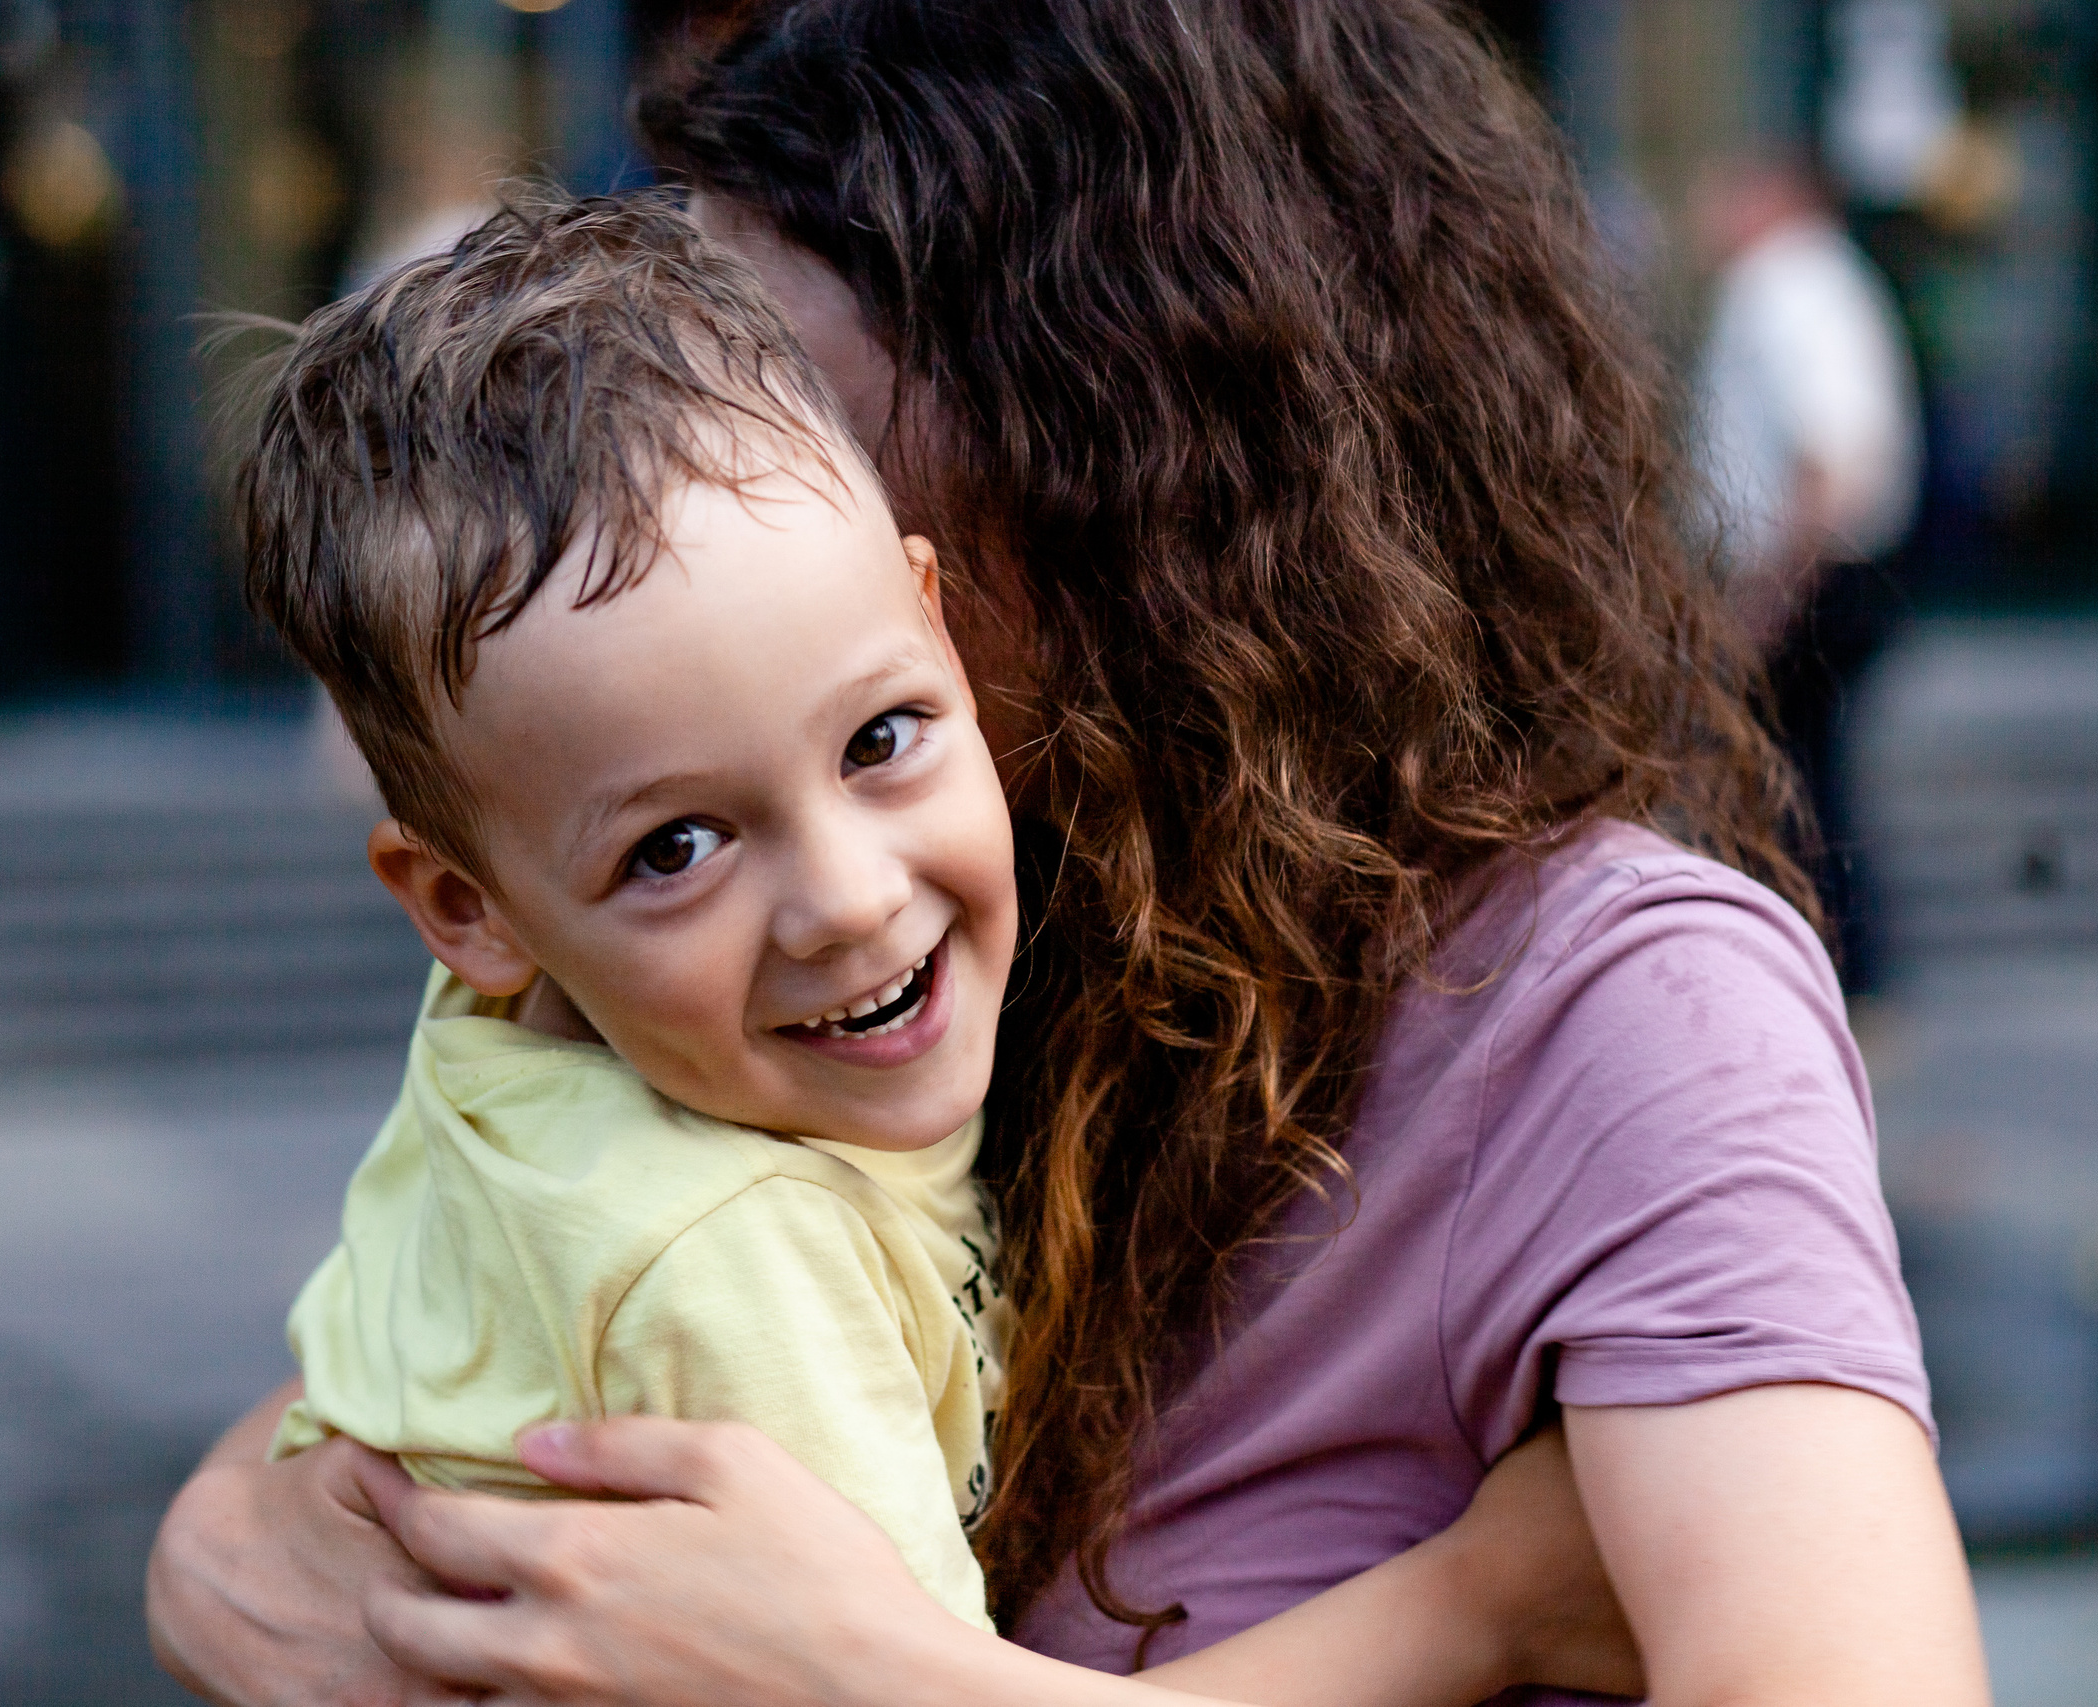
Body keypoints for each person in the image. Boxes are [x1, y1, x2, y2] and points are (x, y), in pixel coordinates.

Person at [149, 4, 1991, 1705]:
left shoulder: (1625, 1008)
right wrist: (220, 1542)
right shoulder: (871, 951)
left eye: (801, 411)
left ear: (1119, 444)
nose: (711, 508)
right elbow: (411, 1383)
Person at [234, 192, 1622, 1705]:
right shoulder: (729, 1263)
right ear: (463, 907)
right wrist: (1475, 1604)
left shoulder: (525, 1019)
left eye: (881, 738)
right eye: (676, 847)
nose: (844, 895)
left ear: (933, 609)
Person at [1689, 156, 1924, 995]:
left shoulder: (1787, 285)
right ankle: (1823, 963)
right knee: (1797, 773)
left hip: (1813, 572)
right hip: (1830, 568)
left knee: (1787, 779)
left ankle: (1819, 964)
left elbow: (1825, 454)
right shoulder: (1824, 281)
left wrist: (1770, 595)